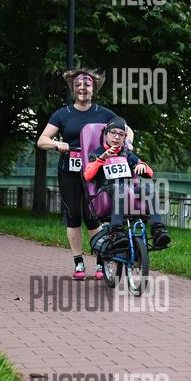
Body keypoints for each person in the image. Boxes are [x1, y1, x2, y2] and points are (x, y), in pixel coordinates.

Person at [37, 68, 134, 280]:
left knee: (93, 216)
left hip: (95, 170)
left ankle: (101, 261)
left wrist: (127, 143)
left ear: (93, 89)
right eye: (78, 85)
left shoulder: (104, 113)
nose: (83, 88)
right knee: (73, 215)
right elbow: (42, 140)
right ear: (73, 88)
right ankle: (78, 262)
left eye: (87, 85)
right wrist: (57, 144)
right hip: (70, 172)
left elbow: (126, 129)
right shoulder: (62, 114)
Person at [83, 117, 170, 249]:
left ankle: (158, 231)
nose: (117, 137)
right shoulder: (98, 153)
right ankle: (116, 232)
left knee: (149, 187)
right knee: (120, 189)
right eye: (113, 133)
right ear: (106, 134)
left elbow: (149, 172)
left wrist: (142, 166)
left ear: (124, 137)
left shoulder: (126, 153)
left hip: (128, 189)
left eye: (121, 134)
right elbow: (87, 175)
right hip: (107, 190)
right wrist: (101, 159)